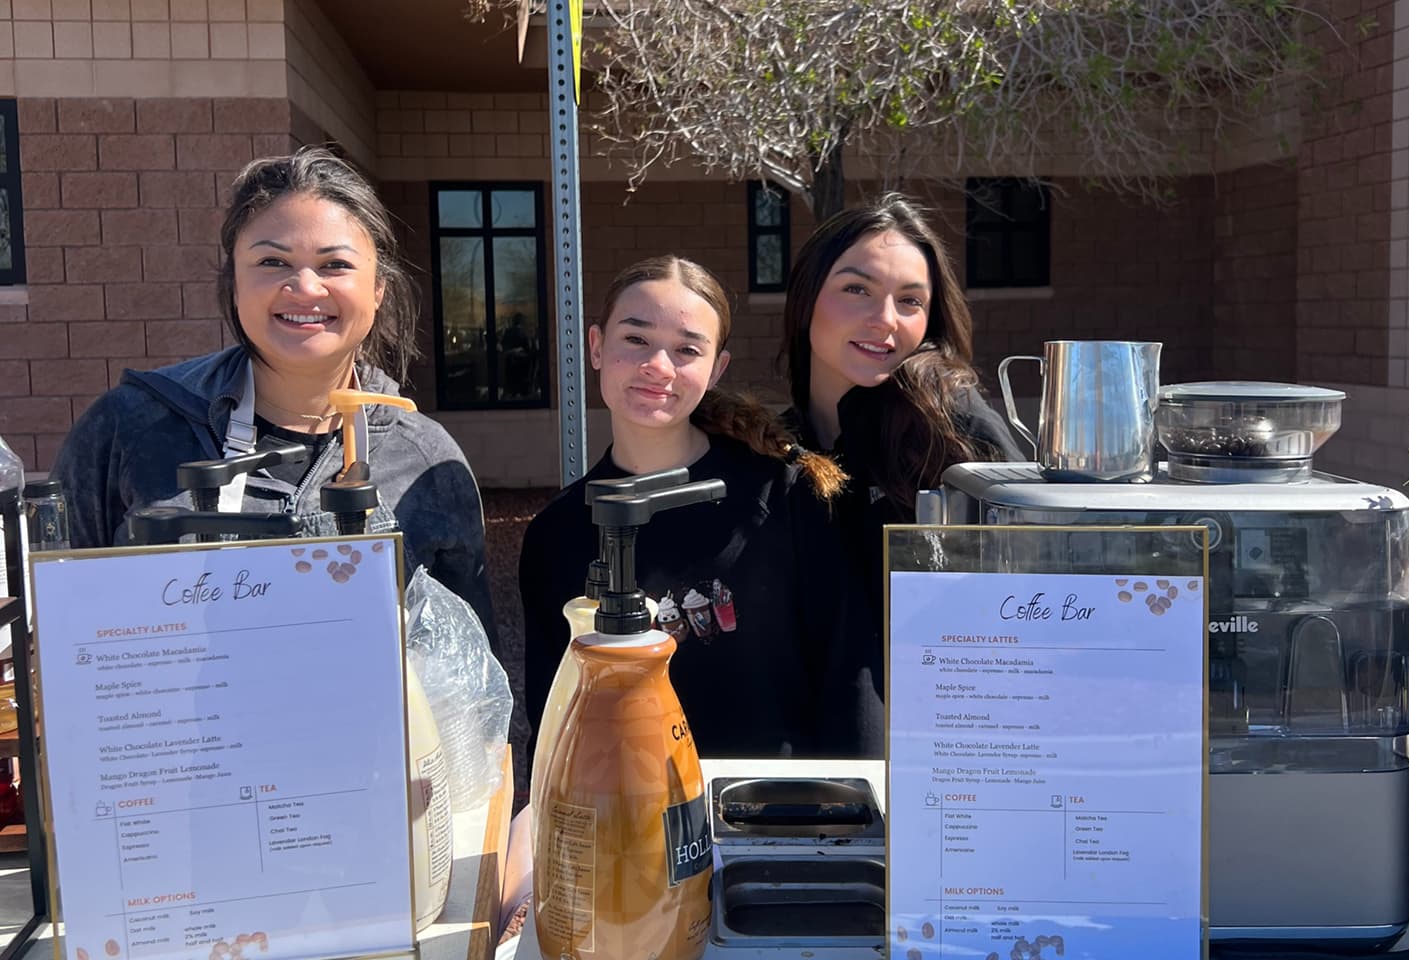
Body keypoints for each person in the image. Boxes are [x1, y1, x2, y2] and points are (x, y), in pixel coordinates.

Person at [50, 146, 496, 637]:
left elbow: (471, 676)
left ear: (377, 291)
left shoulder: (425, 458)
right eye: (271, 260)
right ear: (234, 285)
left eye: (335, 265)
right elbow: (52, 630)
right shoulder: (128, 427)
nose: (305, 287)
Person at [519, 255, 849, 768]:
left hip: (774, 817)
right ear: (596, 347)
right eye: (636, 339)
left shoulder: (783, 495)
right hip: (629, 819)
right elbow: (553, 720)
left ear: (716, 368)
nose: (659, 366)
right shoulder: (556, 535)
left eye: (686, 349)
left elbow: (844, 673)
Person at [780, 193, 1023, 755]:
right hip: (793, 775)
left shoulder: (953, 426)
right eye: (856, 289)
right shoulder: (772, 448)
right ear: (806, 297)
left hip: (946, 763)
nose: (885, 320)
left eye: (910, 301)